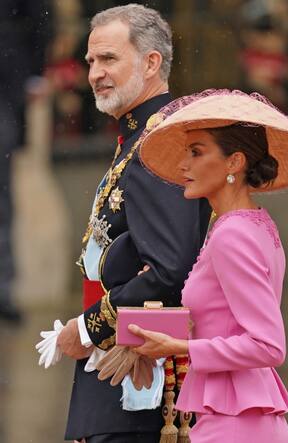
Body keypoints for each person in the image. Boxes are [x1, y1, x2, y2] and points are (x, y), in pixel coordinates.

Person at [117, 89, 288, 443]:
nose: (183, 166)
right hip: (241, 415)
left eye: (196, 153)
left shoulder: (233, 235)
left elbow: (268, 345)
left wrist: (178, 347)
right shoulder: (253, 223)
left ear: (234, 163)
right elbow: (227, 319)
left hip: (235, 423)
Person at [56, 5, 211, 443]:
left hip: (140, 376)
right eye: (90, 62)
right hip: (119, 366)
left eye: (108, 59)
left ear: (151, 62)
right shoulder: (140, 135)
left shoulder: (159, 142)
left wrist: (87, 327)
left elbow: (169, 269)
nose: (94, 73)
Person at [0, 0, 51, 323]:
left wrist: (33, 74)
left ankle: (3, 290)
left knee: (1, 202)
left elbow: (39, 18)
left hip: (3, 90)